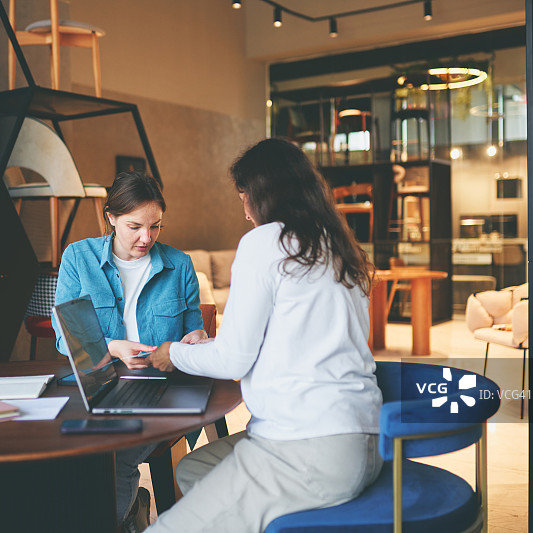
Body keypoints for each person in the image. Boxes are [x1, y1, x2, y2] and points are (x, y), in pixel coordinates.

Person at [146, 138, 383, 532]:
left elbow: (233, 361)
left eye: (243, 197)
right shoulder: (338, 246)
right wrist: (214, 345)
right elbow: (302, 341)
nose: (244, 212)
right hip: (364, 442)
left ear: (260, 195)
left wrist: (173, 352)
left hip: (306, 449)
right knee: (195, 468)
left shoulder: (264, 241)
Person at [52, 171, 208, 532]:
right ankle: (127, 513)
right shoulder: (79, 258)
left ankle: (118, 524)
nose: (145, 238)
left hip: (161, 387)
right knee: (65, 449)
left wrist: (196, 336)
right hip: (100, 383)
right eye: (134, 226)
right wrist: (110, 347)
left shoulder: (179, 264)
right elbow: (65, 336)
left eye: (155, 226)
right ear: (110, 217)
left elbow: (193, 328)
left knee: (116, 456)